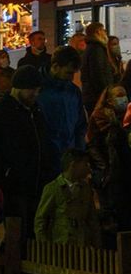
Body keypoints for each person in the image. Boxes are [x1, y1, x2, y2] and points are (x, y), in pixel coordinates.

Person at [0, 66, 58, 252]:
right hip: (14, 186)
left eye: (37, 89)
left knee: (34, 230)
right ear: (18, 87)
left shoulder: (35, 111)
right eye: (31, 89)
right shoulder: (0, 112)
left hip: (37, 182)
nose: (35, 93)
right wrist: (3, 176)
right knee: (18, 233)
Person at [87, 85, 131, 236]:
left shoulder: (124, 117)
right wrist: (104, 169)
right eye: (119, 96)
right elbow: (93, 145)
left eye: (124, 95)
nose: (123, 100)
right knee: (112, 213)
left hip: (122, 173)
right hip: (109, 174)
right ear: (109, 100)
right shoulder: (101, 117)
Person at [34, 149, 97, 246]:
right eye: (85, 164)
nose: (88, 169)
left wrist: (96, 244)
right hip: (61, 245)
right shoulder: (53, 188)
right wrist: (45, 245)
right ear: (73, 164)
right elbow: (40, 219)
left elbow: (92, 219)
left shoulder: (86, 189)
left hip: (83, 245)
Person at [38, 46, 88, 157]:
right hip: (46, 157)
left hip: (70, 155)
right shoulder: (37, 91)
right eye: (68, 73)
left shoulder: (73, 91)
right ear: (55, 67)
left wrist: (79, 151)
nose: (71, 78)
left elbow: (80, 124)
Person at [81, 22, 117, 111]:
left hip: (92, 96)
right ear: (98, 32)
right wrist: (105, 94)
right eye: (103, 30)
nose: (105, 33)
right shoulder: (96, 49)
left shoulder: (91, 48)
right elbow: (98, 74)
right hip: (97, 97)